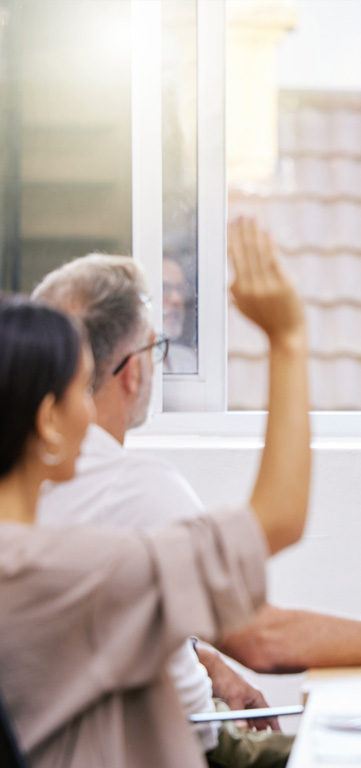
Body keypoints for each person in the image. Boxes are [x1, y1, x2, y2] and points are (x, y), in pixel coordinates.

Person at [32, 247, 361, 763]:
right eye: (157, 347)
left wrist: (203, 659)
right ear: (131, 372)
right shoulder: (130, 488)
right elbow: (265, 638)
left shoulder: (37, 487)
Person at [0, 216, 310, 768]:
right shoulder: (61, 570)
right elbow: (278, 520)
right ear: (48, 418)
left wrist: (206, 662)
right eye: (78, 385)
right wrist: (287, 340)